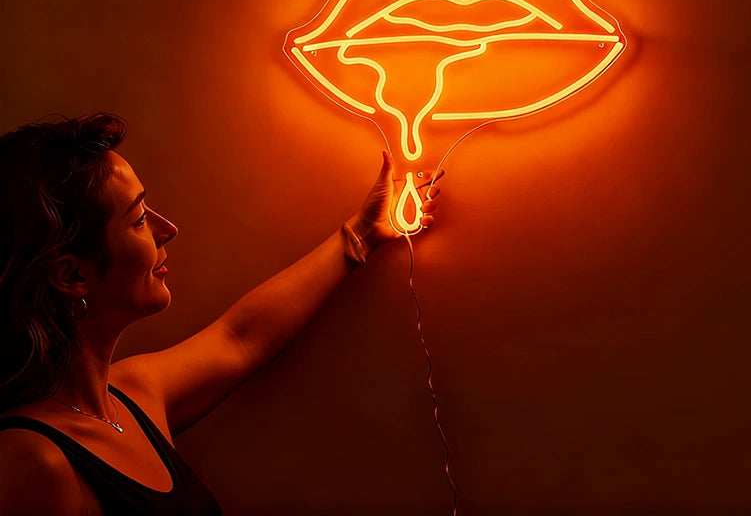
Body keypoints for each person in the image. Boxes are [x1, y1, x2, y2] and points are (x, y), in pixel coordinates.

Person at [0, 113, 441, 515]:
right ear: (71, 273)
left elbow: (241, 337)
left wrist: (359, 236)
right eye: (137, 220)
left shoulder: (132, 397)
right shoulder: (33, 463)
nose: (166, 229)